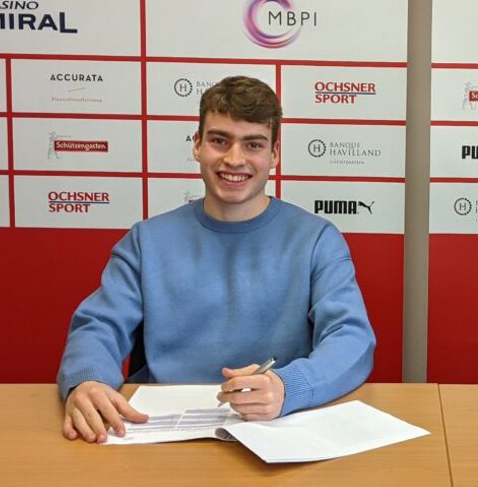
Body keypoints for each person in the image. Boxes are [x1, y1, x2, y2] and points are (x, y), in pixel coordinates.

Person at [57, 76, 376, 443]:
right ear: (197, 145)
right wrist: (88, 380)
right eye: (219, 141)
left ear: (274, 154)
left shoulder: (317, 239)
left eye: (253, 144)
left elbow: (351, 339)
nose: (234, 159)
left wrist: (289, 386)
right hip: (158, 435)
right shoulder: (147, 241)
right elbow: (98, 327)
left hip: (276, 432)